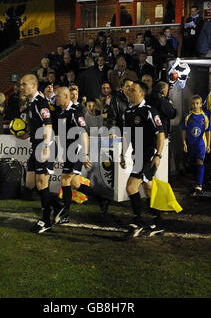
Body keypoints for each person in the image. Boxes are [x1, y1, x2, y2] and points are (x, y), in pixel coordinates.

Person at [53, 87, 109, 225]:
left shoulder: (75, 113)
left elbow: (84, 133)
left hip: (76, 151)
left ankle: (65, 214)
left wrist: (84, 154)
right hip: (68, 152)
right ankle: (102, 198)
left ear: (66, 96)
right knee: (75, 183)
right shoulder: (61, 113)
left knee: (65, 180)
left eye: (58, 96)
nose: (56, 98)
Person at [120, 81, 166, 237]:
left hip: (149, 156)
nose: (129, 92)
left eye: (133, 90)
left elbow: (160, 133)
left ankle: (137, 221)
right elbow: (126, 135)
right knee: (148, 188)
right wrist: (122, 153)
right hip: (137, 156)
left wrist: (158, 155)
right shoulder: (127, 112)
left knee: (131, 187)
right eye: (129, 90)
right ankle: (157, 222)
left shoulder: (149, 111)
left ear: (142, 93)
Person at [18, 74, 59, 233]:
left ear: (34, 86)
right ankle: (58, 206)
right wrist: (29, 133)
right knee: (30, 183)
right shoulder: (31, 103)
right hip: (36, 144)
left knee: (42, 183)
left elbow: (48, 125)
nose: (21, 87)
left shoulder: (40, 102)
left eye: (24, 84)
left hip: (43, 146)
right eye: (21, 84)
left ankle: (46, 220)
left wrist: (46, 146)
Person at [181, 95, 211, 192]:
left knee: (200, 161)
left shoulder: (205, 117)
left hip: (200, 144)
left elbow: (208, 131)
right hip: (191, 144)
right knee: (192, 163)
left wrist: (208, 145)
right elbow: (184, 131)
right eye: (193, 103)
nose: (195, 105)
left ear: (201, 104)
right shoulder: (188, 117)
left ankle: (199, 184)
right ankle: (196, 180)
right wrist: (184, 143)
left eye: (197, 103)